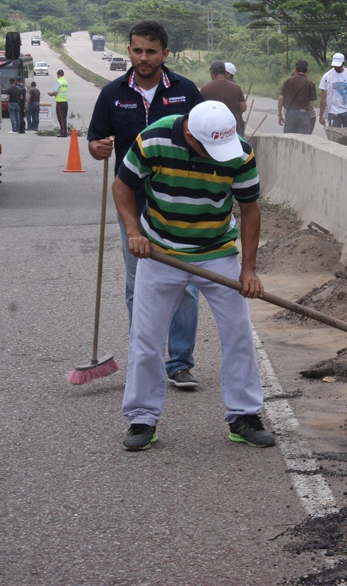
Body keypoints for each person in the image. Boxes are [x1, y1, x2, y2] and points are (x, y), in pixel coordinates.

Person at [112, 100, 274, 451]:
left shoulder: (240, 153)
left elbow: (250, 211)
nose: (218, 155)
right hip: (159, 252)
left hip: (217, 252)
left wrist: (248, 269)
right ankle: (142, 418)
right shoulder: (153, 140)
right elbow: (122, 186)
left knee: (239, 335)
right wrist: (133, 233)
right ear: (189, 134)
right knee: (146, 340)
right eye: (209, 148)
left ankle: (244, 416)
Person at [88, 20, 205, 389]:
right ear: (129, 51)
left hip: (180, 205)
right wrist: (98, 148)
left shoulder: (186, 92)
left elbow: (207, 140)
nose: (143, 58)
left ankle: (179, 362)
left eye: (151, 51)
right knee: (138, 284)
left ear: (165, 54)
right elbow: (94, 141)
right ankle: (146, 358)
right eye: (137, 50)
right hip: (134, 204)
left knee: (185, 285)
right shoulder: (113, 93)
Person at [201, 59, 247, 133]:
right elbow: (243, 108)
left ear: (212, 72)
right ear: (224, 72)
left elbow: (200, 110)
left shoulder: (205, 88)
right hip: (232, 129)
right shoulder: (236, 87)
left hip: (213, 131)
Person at [277, 60, 317, 134]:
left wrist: (279, 114)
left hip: (290, 113)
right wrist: (307, 116)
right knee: (304, 140)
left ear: (295, 69)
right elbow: (311, 104)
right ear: (307, 70)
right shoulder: (310, 83)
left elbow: (280, 99)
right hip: (303, 113)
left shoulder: (288, 81)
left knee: (289, 139)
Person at [48, 70, 69, 137]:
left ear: (58, 74)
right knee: (64, 117)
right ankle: (64, 131)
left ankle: (63, 132)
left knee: (61, 118)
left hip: (60, 102)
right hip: (65, 102)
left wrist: (51, 94)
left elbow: (55, 92)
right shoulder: (65, 82)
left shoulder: (58, 81)